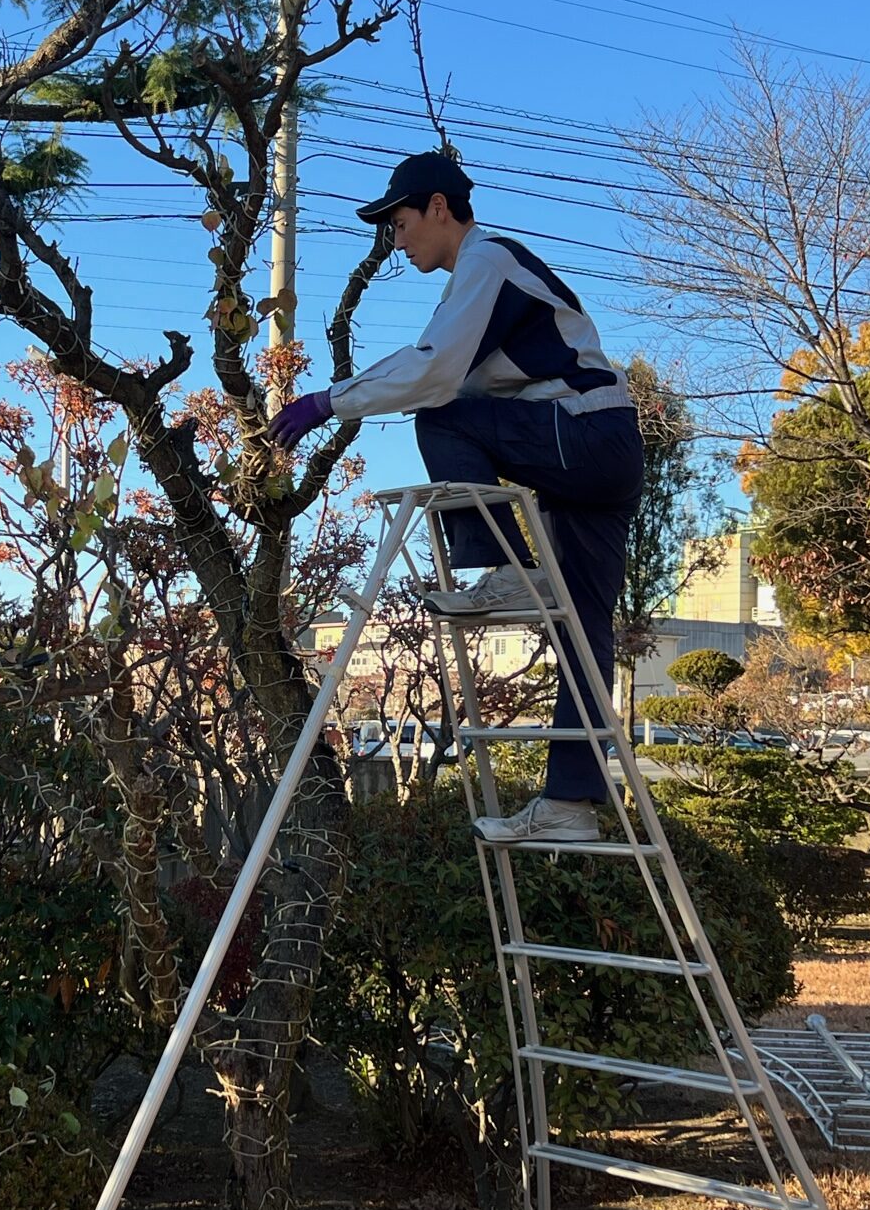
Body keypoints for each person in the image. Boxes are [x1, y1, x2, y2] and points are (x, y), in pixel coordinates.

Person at [268, 150, 644, 844]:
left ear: (440, 207)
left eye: (401, 222)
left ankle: (496, 562)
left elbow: (435, 377)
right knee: (582, 633)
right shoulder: (475, 288)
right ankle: (570, 804)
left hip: (584, 436)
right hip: (601, 448)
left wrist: (329, 401)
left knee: (439, 417)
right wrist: (344, 398)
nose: (396, 239)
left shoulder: (487, 262)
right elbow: (436, 362)